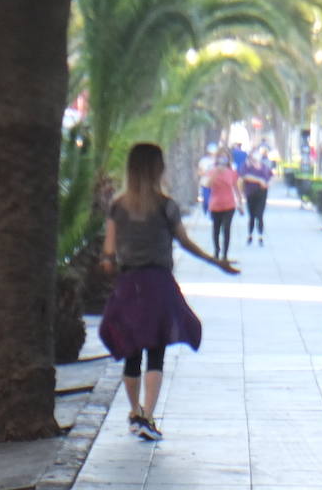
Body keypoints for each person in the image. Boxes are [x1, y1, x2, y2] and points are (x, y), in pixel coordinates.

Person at [99, 142, 240, 441]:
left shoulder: (118, 206)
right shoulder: (166, 206)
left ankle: (135, 412)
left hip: (129, 284)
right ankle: (148, 416)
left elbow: (108, 253)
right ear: (157, 169)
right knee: (156, 351)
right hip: (159, 284)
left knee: (131, 352)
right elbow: (185, 242)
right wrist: (216, 262)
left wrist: (112, 271)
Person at [204, 147, 245, 263]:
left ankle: (225, 255)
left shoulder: (232, 173)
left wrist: (240, 203)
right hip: (215, 204)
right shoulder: (211, 171)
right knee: (216, 228)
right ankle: (216, 252)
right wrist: (216, 172)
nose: (223, 159)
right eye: (220, 156)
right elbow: (207, 185)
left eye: (225, 157)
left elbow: (236, 188)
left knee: (226, 229)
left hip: (229, 205)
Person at [242, 151, 274, 246]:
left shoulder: (264, 167)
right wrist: (259, 180)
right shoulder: (247, 167)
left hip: (262, 193)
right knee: (251, 216)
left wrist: (268, 184)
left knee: (260, 215)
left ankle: (260, 236)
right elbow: (245, 176)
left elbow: (271, 177)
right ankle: (250, 235)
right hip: (251, 193)